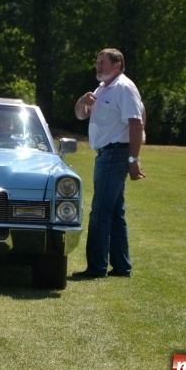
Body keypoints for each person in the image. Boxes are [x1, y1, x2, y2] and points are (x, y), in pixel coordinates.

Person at [72, 48, 145, 279]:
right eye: (97, 61)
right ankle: (121, 267)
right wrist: (81, 101)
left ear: (117, 65)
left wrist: (133, 159)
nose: (98, 66)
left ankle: (96, 267)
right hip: (106, 154)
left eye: (103, 62)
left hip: (115, 154)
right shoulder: (102, 88)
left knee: (100, 212)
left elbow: (136, 123)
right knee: (114, 212)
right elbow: (81, 115)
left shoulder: (123, 87)